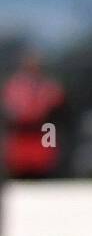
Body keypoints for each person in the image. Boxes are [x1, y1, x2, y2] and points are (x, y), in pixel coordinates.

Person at [2, 52, 64, 180]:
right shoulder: (14, 87)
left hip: (43, 134)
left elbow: (54, 118)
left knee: (45, 172)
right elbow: (10, 113)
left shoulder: (50, 88)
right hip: (21, 140)